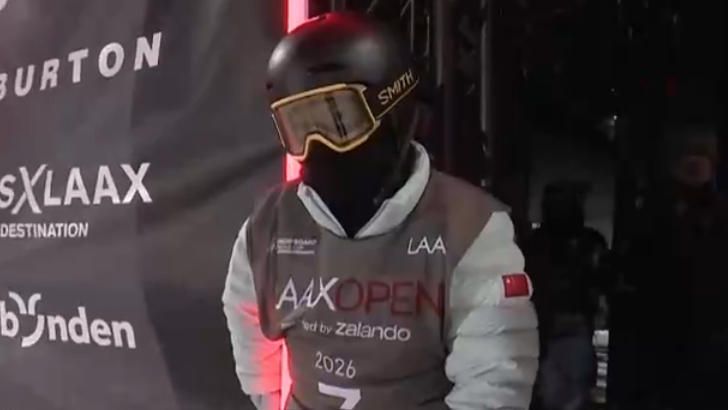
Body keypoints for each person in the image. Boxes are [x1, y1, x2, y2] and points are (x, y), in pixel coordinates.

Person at [222, 12, 538, 410]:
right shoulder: (269, 227)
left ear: (391, 108)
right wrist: (270, 401)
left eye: (339, 120)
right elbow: (245, 319)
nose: (320, 145)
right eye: (300, 126)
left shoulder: (470, 229)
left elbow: (495, 383)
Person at [626, 123, 728, 410]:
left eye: (701, 157)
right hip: (667, 332)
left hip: (708, 332)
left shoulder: (718, 212)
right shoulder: (656, 212)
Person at [524, 181, 608, 410]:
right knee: (553, 390)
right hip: (545, 327)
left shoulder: (589, 243)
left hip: (572, 324)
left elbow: (601, 279)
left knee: (569, 390)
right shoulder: (535, 244)